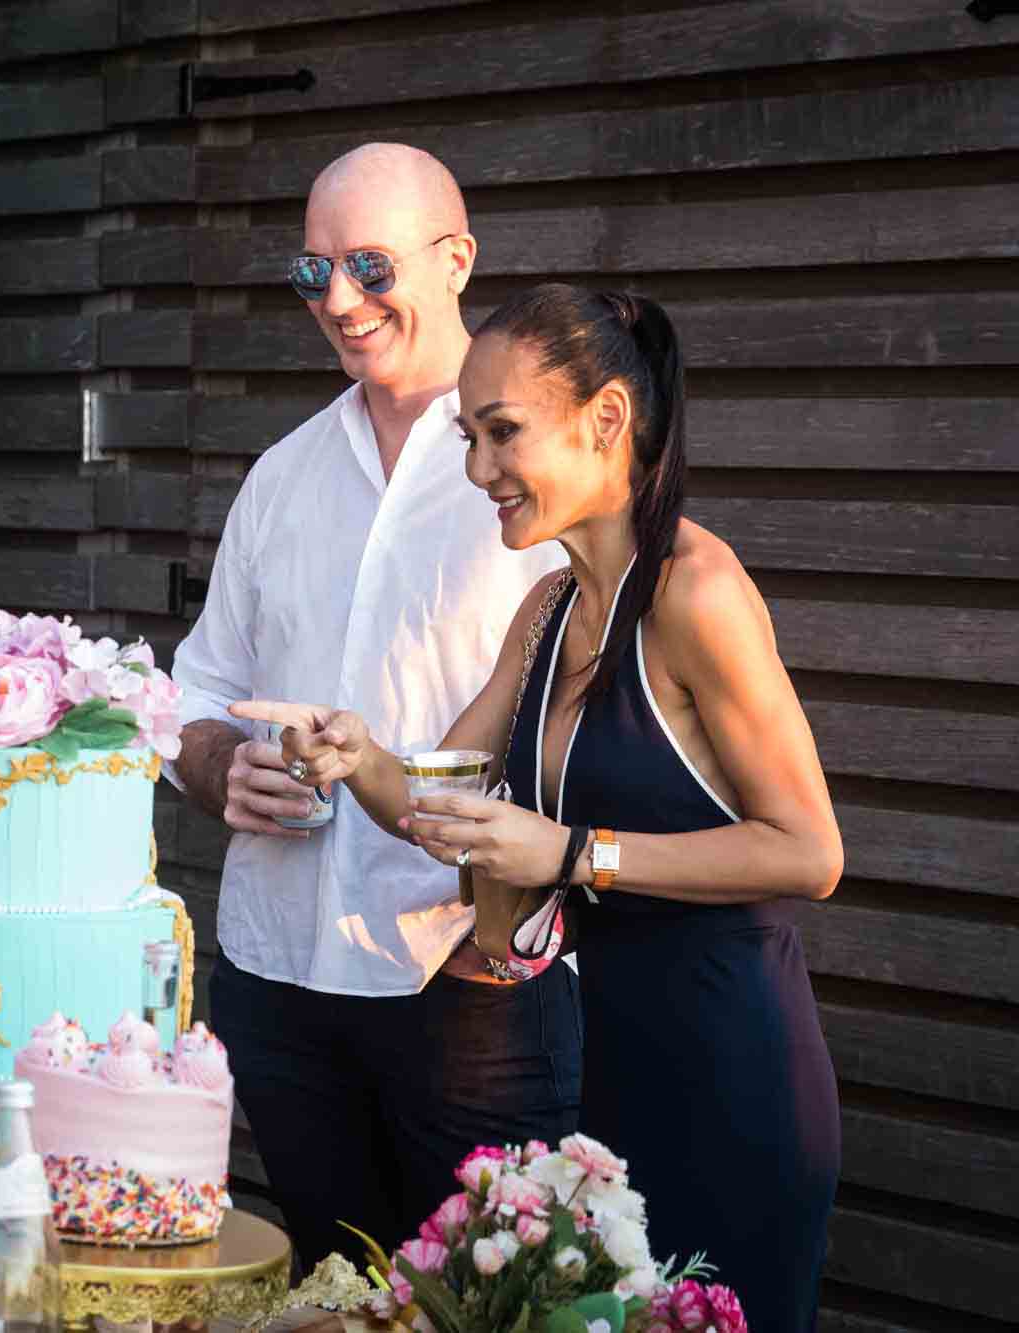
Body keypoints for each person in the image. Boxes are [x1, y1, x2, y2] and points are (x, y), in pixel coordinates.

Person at [237, 283, 842, 1328]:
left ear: (605, 418)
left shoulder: (696, 593)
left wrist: (570, 852)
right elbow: (448, 802)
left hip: (734, 1079)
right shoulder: (549, 607)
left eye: (500, 433)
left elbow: (807, 851)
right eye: (469, 437)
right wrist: (358, 754)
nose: (478, 470)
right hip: (611, 1082)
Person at [166, 143, 576, 1274]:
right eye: (314, 271)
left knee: (483, 1305)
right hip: (280, 979)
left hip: (468, 982)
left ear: (456, 261)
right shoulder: (281, 475)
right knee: (330, 1289)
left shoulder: (534, 471)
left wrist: (516, 931)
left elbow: (596, 710)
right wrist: (215, 767)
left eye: (369, 266)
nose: (338, 302)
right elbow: (194, 692)